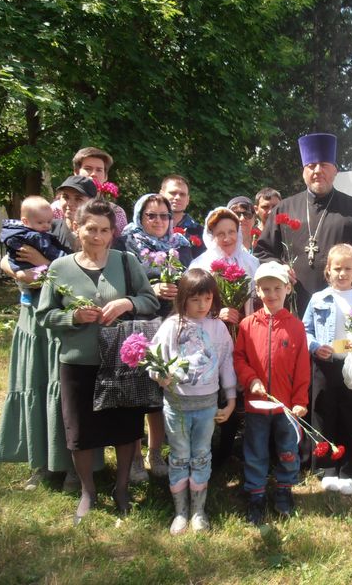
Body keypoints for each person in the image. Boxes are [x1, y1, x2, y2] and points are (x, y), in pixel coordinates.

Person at [36, 198, 160, 523]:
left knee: (123, 427)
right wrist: (73, 317)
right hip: (78, 361)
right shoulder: (60, 268)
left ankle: (121, 489)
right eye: (91, 229)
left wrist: (126, 303)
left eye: (105, 230)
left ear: (113, 232)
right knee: (81, 429)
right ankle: (88, 492)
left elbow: (150, 301)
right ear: (77, 228)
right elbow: (45, 315)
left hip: (121, 359)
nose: (98, 237)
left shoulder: (126, 261)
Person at [0, 175, 99, 492]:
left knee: (65, 393)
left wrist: (44, 265)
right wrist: (21, 270)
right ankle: (40, 462)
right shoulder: (41, 223)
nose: (70, 203)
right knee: (35, 386)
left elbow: (86, 275)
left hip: (65, 320)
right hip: (32, 319)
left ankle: (71, 465)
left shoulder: (92, 231)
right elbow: (5, 258)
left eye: (78, 198)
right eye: (66, 196)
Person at [254, 133, 352, 317]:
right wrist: (278, 268)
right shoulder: (284, 208)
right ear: (303, 172)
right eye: (311, 166)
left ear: (335, 170)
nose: (317, 171)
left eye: (323, 165)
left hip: (343, 307)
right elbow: (263, 251)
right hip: (292, 304)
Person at [113, 193, 194, 481]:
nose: (159, 221)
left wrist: (179, 291)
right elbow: (117, 284)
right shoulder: (125, 244)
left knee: (161, 393)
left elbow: (191, 282)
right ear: (139, 216)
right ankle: (134, 458)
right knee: (137, 393)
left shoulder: (181, 246)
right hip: (138, 324)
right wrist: (151, 289)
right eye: (151, 215)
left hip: (171, 324)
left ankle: (155, 452)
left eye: (164, 215)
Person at [149, 269, 237, 534]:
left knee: (201, 455)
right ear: (184, 298)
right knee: (179, 456)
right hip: (177, 407)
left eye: (207, 299)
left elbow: (226, 365)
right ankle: (180, 511)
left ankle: (198, 510)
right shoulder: (170, 326)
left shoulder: (218, 328)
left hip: (207, 406)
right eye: (196, 299)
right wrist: (160, 376)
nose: (202, 306)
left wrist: (231, 400)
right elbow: (153, 362)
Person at [233, 261, 310, 525]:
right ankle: (255, 495)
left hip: (286, 407)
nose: (272, 294)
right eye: (265, 288)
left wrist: (300, 401)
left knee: (288, 450)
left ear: (287, 288)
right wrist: (250, 379)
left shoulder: (296, 327)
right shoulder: (246, 325)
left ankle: (284, 491)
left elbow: (302, 369)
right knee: (255, 449)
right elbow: (239, 358)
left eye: (277, 288)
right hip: (256, 405)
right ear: (257, 290)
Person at [190, 207, 259, 465]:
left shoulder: (251, 262)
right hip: (211, 338)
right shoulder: (201, 265)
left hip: (243, 336)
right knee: (215, 391)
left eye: (232, 232)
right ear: (211, 236)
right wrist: (216, 316)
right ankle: (206, 450)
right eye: (221, 233)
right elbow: (191, 305)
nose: (228, 238)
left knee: (237, 392)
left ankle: (229, 449)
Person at [302, 244, 352, 495]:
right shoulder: (318, 299)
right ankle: (326, 468)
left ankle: (349, 469)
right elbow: (305, 329)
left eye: (348, 268)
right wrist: (316, 346)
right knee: (324, 412)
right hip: (325, 366)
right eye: (337, 268)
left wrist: (344, 345)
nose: (342, 273)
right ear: (328, 271)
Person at [0, 196, 67, 306]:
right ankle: (26, 290)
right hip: (28, 267)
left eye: (49, 222)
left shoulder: (14, 231)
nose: (46, 225)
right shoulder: (36, 236)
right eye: (40, 222)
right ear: (25, 221)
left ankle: (24, 290)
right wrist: (64, 257)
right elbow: (50, 251)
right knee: (40, 276)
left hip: (19, 265)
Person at [51, 147, 128, 237]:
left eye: (99, 170)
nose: (93, 174)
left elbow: (120, 244)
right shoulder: (56, 209)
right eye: (88, 169)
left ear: (105, 176)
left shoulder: (116, 212)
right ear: (76, 172)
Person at [160, 174, 206, 259]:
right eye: (173, 193)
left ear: (188, 200)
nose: (177, 197)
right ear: (161, 194)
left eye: (182, 194)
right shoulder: (152, 226)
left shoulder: (200, 232)